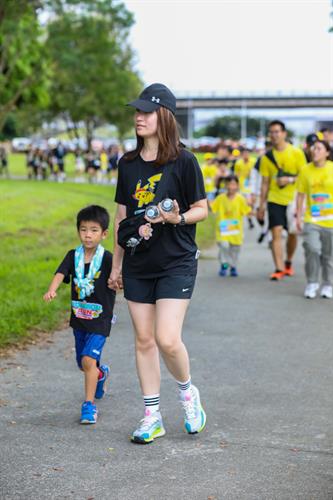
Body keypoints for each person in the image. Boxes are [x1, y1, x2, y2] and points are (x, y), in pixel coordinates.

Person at [108, 83, 208, 444]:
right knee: (144, 340)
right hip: (138, 262)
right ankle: (152, 415)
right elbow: (121, 218)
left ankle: (187, 393)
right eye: (136, 111)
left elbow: (202, 209)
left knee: (167, 338)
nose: (138, 117)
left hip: (176, 261)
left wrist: (176, 219)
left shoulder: (183, 160)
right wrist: (117, 265)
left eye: (146, 112)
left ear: (163, 116)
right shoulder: (128, 164)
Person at [43, 205, 115, 424]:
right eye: (83, 229)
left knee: (87, 359)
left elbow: (119, 278)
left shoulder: (108, 258)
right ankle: (100, 374)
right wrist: (52, 288)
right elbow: (60, 273)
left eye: (94, 230)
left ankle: (89, 405)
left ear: (104, 234)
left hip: (100, 319)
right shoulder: (73, 255)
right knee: (83, 364)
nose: (88, 235)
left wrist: (120, 283)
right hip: (79, 318)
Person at [257, 120, 306, 280]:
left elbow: (305, 177)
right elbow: (264, 183)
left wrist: (289, 180)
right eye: (271, 132)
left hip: (293, 199)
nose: (274, 135)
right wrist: (261, 206)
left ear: (284, 133)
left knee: (292, 234)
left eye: (277, 131)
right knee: (276, 232)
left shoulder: (296, 153)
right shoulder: (266, 158)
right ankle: (278, 268)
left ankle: (288, 262)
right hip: (274, 199)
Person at [296, 140, 333, 299]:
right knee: (312, 248)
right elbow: (300, 195)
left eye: (319, 148)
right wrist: (298, 216)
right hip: (312, 218)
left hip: (331, 220)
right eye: (313, 148)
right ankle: (312, 282)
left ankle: (328, 284)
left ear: (327, 152)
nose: (315, 151)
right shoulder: (305, 170)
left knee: (328, 255)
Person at [210, 175, 251, 277]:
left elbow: (246, 211)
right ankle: (224, 265)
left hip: (236, 229)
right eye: (228, 184)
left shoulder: (241, 199)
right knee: (224, 245)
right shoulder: (220, 198)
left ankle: (233, 266)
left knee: (235, 248)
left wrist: (252, 206)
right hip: (223, 228)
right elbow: (212, 208)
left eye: (233, 184)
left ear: (237, 186)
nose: (231, 187)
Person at [234, 148, 256, 229]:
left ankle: (249, 216)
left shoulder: (253, 161)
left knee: (251, 204)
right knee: (246, 203)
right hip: (242, 186)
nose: (246, 155)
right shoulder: (238, 163)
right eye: (244, 154)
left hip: (251, 185)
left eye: (247, 154)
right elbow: (236, 175)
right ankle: (248, 219)